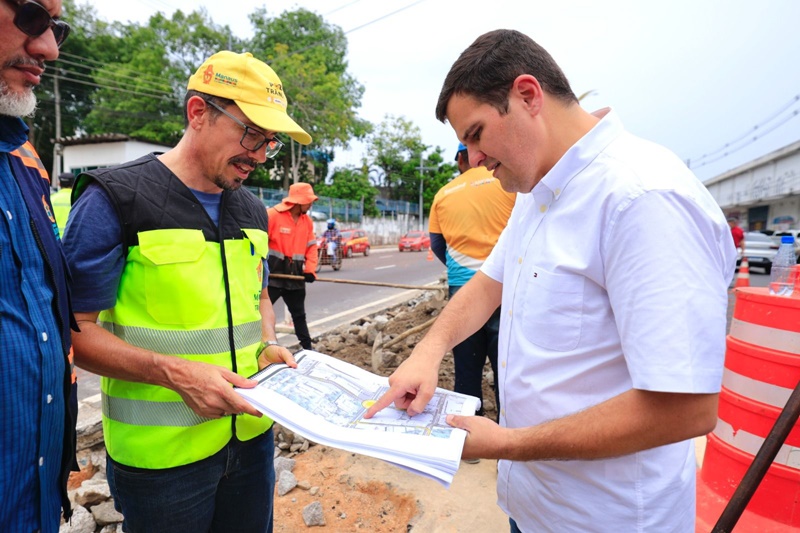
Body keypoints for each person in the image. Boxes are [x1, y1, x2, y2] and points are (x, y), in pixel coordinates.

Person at [367, 29, 736, 532]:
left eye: (476, 134)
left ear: (527, 95)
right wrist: (427, 353)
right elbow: (487, 285)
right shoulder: (538, 189)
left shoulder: (642, 199)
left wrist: (508, 443)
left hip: (605, 519)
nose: (473, 159)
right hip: (534, 505)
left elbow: (685, 409)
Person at [63, 50, 309, 533]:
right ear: (198, 112)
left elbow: (259, 297)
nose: (260, 155)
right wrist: (175, 374)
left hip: (251, 440)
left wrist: (267, 343)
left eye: (270, 142)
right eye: (251, 134)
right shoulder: (115, 198)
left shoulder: (252, 211)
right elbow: (72, 331)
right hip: (162, 463)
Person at [0, 1, 78, 531]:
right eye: (30, 15)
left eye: (56, 28)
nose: (48, 48)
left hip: (34, 499)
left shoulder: (25, 157)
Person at [428, 142, 515, 428]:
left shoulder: (443, 194)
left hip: (462, 291)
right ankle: (506, 437)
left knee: (466, 370)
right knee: (507, 370)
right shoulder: (506, 182)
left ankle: (468, 435)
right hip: (505, 288)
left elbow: (437, 244)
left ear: (459, 159)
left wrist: (460, 269)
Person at [266, 182, 319, 351]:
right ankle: (259, 348)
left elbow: (311, 247)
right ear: (299, 201)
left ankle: (308, 350)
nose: (310, 205)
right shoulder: (272, 216)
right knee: (260, 314)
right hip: (272, 276)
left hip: (295, 276)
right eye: (308, 201)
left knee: (299, 316)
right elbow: (258, 243)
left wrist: (309, 270)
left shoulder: (307, 222)